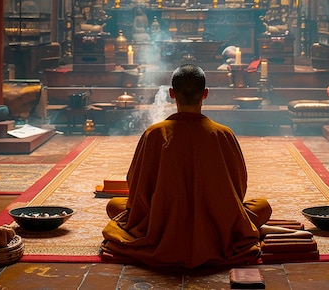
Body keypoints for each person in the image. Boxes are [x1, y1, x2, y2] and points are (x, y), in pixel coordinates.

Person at [101, 64, 271, 269]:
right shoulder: (223, 133)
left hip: (160, 221)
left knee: (114, 206)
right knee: (262, 206)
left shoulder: (154, 134)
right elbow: (239, 186)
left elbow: (135, 185)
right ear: (205, 94)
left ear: (172, 93)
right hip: (216, 222)